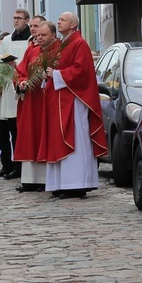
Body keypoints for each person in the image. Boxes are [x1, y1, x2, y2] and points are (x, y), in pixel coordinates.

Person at [42, 12, 108, 198]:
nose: (58, 21)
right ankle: (62, 183)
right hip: (61, 100)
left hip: (75, 100)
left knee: (76, 140)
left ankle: (77, 184)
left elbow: (81, 71)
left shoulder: (80, 44)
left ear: (72, 24)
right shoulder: (65, 44)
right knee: (59, 139)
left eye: (62, 20)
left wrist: (56, 74)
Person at [0, 9, 31, 179]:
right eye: (13, 18)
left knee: (16, 132)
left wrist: (16, 66)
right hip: (3, 90)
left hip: (19, 88)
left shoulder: (31, 40)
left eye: (19, 18)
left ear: (26, 20)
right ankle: (6, 164)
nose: (15, 21)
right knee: (1, 131)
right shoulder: (6, 40)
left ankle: (18, 166)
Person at [13, 16, 48, 192]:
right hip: (29, 100)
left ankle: (44, 179)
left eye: (37, 26)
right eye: (32, 26)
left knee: (41, 136)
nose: (33, 29)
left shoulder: (51, 49)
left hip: (43, 100)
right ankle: (29, 179)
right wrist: (22, 82)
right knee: (28, 136)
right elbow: (21, 72)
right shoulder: (31, 50)